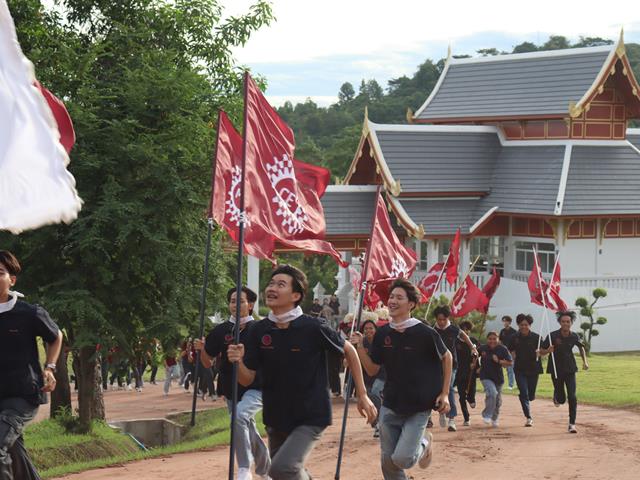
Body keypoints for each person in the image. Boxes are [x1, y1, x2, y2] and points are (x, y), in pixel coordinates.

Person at [228, 264, 376, 480]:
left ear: (296, 295)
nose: (272, 288)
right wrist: (237, 362)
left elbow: (350, 351)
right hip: (276, 415)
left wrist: (363, 395)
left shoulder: (313, 327)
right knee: (285, 474)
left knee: (280, 469)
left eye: (281, 284)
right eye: (271, 283)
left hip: (310, 414)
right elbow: (247, 378)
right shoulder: (258, 331)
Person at [352, 279, 452, 480]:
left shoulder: (425, 332)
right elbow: (372, 370)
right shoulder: (383, 334)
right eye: (391, 297)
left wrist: (445, 393)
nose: (392, 301)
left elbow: (447, 356)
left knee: (403, 459)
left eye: (399, 297)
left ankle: (424, 443)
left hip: (419, 405)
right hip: (390, 404)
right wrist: (360, 347)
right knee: (388, 463)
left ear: (411, 304)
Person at [0, 250, 63, 480]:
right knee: (15, 452)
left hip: (23, 394)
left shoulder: (28, 312)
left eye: (0, 273)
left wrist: (50, 367)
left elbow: (56, 336)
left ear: (11, 280)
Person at [194, 286, 269, 480]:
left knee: (239, 416)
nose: (235, 304)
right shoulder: (221, 331)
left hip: (257, 387)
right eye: (233, 301)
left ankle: (244, 467)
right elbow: (206, 361)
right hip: (230, 387)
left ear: (250, 305)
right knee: (245, 425)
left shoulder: (261, 328)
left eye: (240, 301)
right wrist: (201, 349)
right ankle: (266, 471)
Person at [538, 311, 589, 434]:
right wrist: (548, 350)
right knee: (561, 399)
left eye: (568, 322)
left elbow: (581, 347)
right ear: (560, 323)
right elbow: (540, 351)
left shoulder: (574, 336)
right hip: (556, 369)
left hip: (570, 368)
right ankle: (557, 396)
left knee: (572, 396)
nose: (566, 324)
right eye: (563, 321)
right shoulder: (552, 335)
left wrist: (585, 362)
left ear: (571, 323)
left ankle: (572, 424)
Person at [432, 305, 478, 432]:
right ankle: (441, 411)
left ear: (447, 318)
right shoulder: (432, 329)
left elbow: (464, 336)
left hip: (452, 365)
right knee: (437, 388)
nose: (441, 322)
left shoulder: (453, 329)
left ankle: (451, 419)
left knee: (449, 388)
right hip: (436, 364)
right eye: (439, 319)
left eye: (443, 319)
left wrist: (472, 348)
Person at [508, 314, 543, 427]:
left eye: (526, 325)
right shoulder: (514, 337)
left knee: (531, 395)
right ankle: (528, 417)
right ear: (518, 325)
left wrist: (541, 352)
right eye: (521, 325)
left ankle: (527, 398)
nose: (524, 327)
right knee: (524, 393)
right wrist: (513, 356)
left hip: (534, 369)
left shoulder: (537, 337)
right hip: (520, 369)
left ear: (530, 325)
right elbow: (511, 349)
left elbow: (544, 351)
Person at [478, 331, 513, 427]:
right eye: (490, 339)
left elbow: (510, 363)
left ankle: (495, 417)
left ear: (498, 340)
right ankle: (487, 415)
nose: (492, 341)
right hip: (485, 376)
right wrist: (475, 364)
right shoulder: (483, 348)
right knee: (492, 393)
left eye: (494, 339)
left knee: (497, 400)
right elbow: (475, 355)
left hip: (498, 378)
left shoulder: (503, 349)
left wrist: (499, 361)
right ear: (487, 339)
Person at [358, 319, 386, 438]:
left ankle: (380, 423)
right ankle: (376, 425)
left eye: (371, 328)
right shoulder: (361, 342)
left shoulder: (381, 341)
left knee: (375, 392)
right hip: (366, 376)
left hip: (381, 374)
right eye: (366, 329)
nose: (368, 331)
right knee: (368, 398)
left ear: (375, 329)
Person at [455, 320, 479, 426]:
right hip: (459, 371)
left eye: (467, 329)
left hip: (471, 371)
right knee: (461, 396)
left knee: (471, 391)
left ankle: (471, 398)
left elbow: (479, 354)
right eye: (463, 329)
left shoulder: (473, 341)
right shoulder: (455, 342)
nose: (465, 331)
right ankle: (466, 418)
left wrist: (475, 362)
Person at [499, 315, 517, 389]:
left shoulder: (514, 331)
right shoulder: (502, 331)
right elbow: (500, 341)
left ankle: (511, 385)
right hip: (504, 352)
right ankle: (510, 384)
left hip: (512, 352)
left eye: (506, 321)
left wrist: (514, 353)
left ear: (509, 322)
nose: (505, 323)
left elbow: (516, 343)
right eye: (503, 321)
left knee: (511, 369)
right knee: (507, 369)